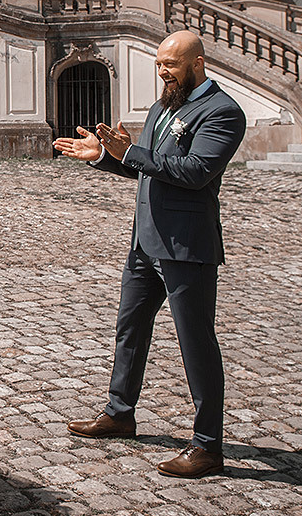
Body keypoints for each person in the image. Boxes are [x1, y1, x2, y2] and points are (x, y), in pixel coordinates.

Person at [54, 31, 246, 479]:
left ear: (197, 64)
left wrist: (132, 152)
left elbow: (196, 173)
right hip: (145, 243)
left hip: (187, 247)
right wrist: (103, 155)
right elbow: (146, 169)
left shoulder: (223, 112)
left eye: (171, 65)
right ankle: (120, 413)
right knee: (130, 329)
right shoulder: (161, 108)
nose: (162, 72)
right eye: (159, 64)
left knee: (195, 343)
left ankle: (207, 445)